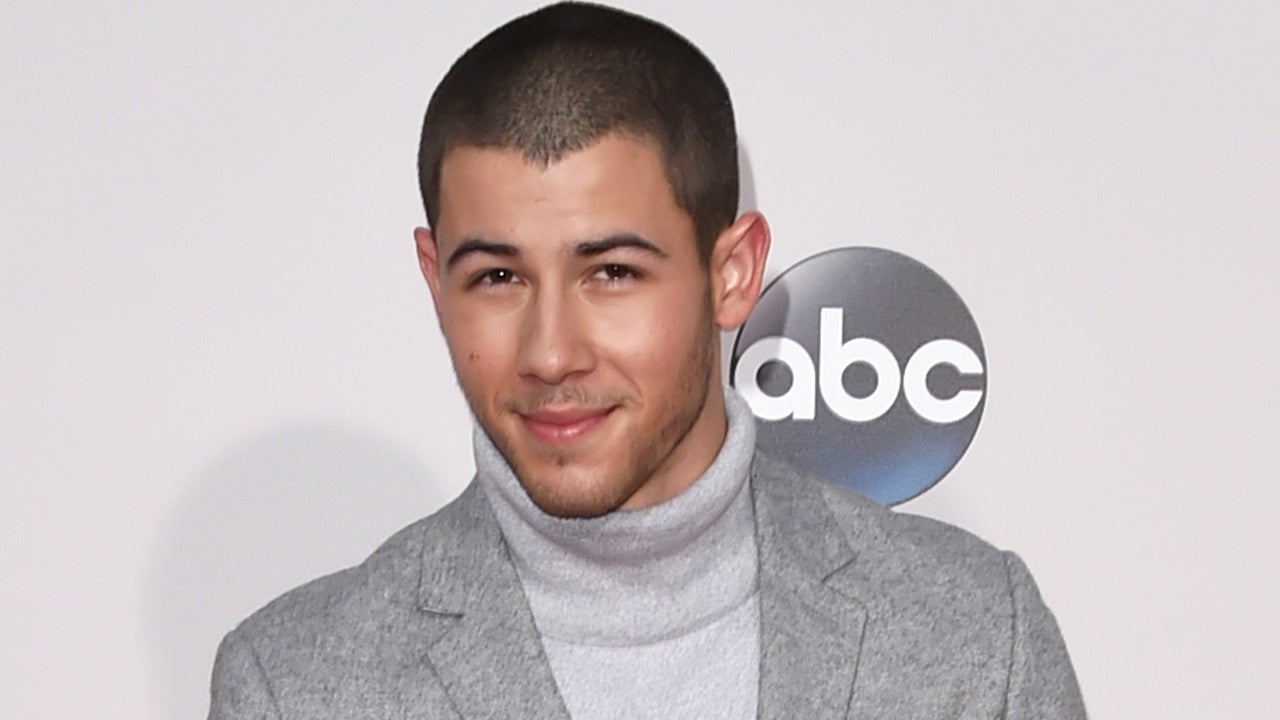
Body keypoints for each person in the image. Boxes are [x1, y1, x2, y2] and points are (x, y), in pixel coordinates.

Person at [208, 3, 1086, 718]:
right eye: (498, 277)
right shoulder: (294, 686)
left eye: (613, 273)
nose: (551, 353)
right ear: (435, 280)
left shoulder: (976, 639)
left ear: (731, 273)